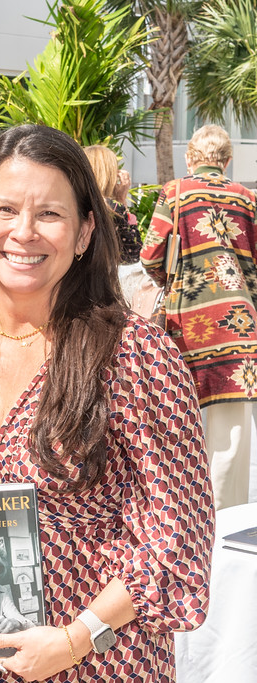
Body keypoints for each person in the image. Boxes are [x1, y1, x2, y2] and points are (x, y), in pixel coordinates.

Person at [0, 123, 214, 683]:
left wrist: (75, 639)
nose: (24, 232)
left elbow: (174, 537)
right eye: (6, 210)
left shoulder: (133, 354)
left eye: (50, 214)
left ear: (85, 233)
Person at [140, 124, 257, 510]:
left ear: (189, 159)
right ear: (227, 161)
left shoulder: (175, 193)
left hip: (188, 324)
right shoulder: (247, 198)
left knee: (181, 425)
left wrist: (172, 282)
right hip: (240, 325)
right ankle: (228, 529)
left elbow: (150, 254)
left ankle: (187, 517)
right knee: (231, 436)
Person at [83, 144, 142, 263]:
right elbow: (133, 253)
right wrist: (121, 200)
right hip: (99, 277)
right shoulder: (112, 208)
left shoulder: (74, 202)